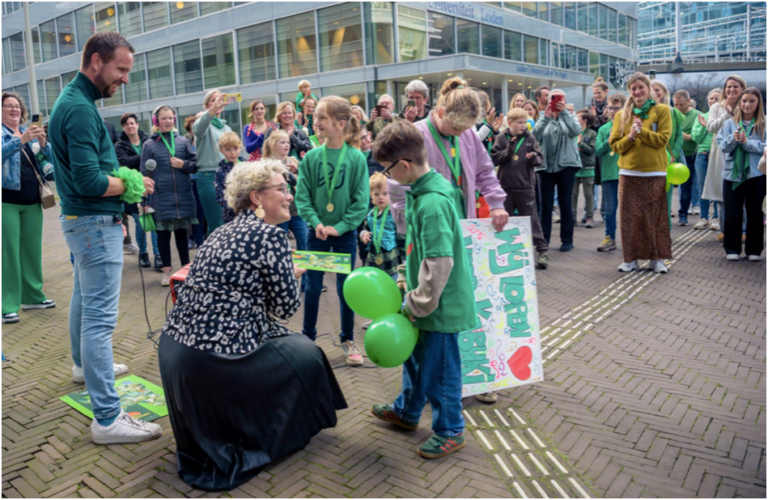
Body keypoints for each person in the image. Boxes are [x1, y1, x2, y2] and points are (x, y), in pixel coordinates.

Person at [159, 159, 347, 491]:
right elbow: (285, 308)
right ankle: (269, 433)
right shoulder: (270, 237)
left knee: (288, 346)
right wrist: (291, 274)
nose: (289, 196)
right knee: (307, 351)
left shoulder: (220, 231)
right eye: (282, 189)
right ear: (257, 197)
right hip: (212, 356)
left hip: (175, 349)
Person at [49, 31, 160, 443]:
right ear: (96, 61)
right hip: (94, 223)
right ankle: (108, 418)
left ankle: (82, 366)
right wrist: (130, 184)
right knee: (99, 321)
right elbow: (88, 179)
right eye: (121, 69)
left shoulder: (76, 101)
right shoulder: (79, 109)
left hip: (84, 223)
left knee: (83, 297)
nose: (125, 79)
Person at [371, 120, 479, 460]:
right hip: (426, 301)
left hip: (439, 306)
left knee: (441, 372)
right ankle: (407, 411)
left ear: (404, 165)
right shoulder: (424, 190)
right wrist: (406, 276)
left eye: (388, 170)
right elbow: (418, 248)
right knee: (416, 362)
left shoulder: (431, 201)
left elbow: (440, 263)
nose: (387, 178)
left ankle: (450, 430)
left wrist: (417, 303)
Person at [295, 96, 370, 366]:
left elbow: (361, 202)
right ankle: (308, 339)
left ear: (340, 123)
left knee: (345, 289)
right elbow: (302, 198)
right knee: (312, 287)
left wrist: (338, 228)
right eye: (314, 117)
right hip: (315, 235)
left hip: (345, 236)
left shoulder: (356, 159)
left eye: (322, 117)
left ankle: (348, 340)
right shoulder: (312, 157)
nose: (315, 122)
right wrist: (317, 224)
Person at [389, 77, 509, 241]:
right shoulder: (415, 135)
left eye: (465, 128)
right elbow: (397, 184)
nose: (460, 134)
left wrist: (496, 205)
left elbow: (485, 171)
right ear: (441, 113)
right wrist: (417, 215)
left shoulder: (466, 135)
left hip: (463, 220)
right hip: (429, 226)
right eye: (455, 128)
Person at [609, 72, 673, 274]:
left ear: (648, 88)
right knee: (630, 218)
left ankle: (657, 259)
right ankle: (631, 259)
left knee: (655, 218)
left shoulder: (661, 110)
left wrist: (642, 132)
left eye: (640, 87)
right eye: (633, 88)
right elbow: (615, 145)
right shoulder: (621, 115)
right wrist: (629, 137)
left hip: (654, 172)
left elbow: (662, 139)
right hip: (629, 173)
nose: (637, 91)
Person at [1, 91, 56, 325]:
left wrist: (43, 144)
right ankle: (7, 305)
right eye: (9, 106)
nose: (15, 109)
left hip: (33, 200)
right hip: (6, 202)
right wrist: (19, 142)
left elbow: (50, 158)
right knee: (8, 255)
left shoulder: (27, 132)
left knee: (32, 251)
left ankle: (33, 296)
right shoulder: (8, 135)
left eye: (17, 106)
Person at [141, 106, 198, 286]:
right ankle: (167, 272)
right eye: (163, 118)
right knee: (163, 235)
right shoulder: (149, 145)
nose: (168, 121)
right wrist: (145, 200)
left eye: (170, 118)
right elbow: (144, 173)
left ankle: (185, 269)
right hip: (160, 198)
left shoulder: (182, 141)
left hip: (182, 197)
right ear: (156, 122)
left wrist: (183, 164)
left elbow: (195, 164)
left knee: (182, 234)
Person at [491, 108, 548, 269]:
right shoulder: (502, 138)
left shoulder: (530, 138)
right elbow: (494, 158)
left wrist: (533, 158)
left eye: (525, 122)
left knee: (532, 220)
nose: (524, 126)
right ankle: (501, 250)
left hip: (525, 187)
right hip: (505, 187)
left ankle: (542, 251)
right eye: (520, 122)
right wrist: (509, 150)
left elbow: (540, 160)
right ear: (510, 123)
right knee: (504, 220)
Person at [716, 87, 767, 261]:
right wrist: (733, 139)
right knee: (732, 212)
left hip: (756, 174)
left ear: (758, 102)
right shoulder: (729, 123)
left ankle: (754, 250)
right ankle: (732, 249)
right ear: (739, 103)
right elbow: (722, 146)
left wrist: (747, 143)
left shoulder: (764, 123)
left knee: (755, 213)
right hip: (732, 174)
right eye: (744, 101)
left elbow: (764, 147)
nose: (747, 104)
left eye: (751, 101)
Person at [532, 89, 583, 252]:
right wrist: (545, 119)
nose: (553, 102)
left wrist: (564, 114)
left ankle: (567, 240)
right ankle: (543, 240)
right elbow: (533, 137)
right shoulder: (542, 117)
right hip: (545, 166)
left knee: (565, 203)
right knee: (545, 205)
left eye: (558, 99)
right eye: (551, 99)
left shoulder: (570, 116)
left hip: (566, 166)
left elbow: (575, 131)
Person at [705, 75, 748, 242]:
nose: (731, 90)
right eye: (728, 87)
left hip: (740, 150)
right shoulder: (717, 106)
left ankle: (743, 230)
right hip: (720, 152)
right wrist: (726, 115)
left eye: (736, 86)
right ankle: (725, 230)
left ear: (742, 88)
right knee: (723, 194)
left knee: (741, 191)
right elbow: (710, 127)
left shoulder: (746, 105)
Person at [263, 130, 307, 294]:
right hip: (278, 213)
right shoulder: (266, 164)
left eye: (288, 142)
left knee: (305, 244)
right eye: (282, 142)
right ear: (273, 145)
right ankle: (284, 284)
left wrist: (299, 169)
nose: (287, 145)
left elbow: (302, 182)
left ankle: (305, 284)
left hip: (296, 210)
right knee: (281, 249)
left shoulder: (293, 160)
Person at [115, 112, 154, 269]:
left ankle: (158, 255)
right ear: (123, 128)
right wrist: (143, 156)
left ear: (137, 124)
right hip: (133, 190)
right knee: (140, 222)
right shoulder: (119, 145)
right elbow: (124, 163)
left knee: (155, 222)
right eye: (126, 125)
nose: (130, 126)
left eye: (132, 123)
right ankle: (143, 254)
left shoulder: (149, 140)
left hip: (150, 186)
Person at [193, 90, 233, 236]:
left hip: (228, 176)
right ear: (206, 105)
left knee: (230, 222)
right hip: (209, 176)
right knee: (216, 224)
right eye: (213, 100)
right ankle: (212, 256)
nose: (218, 102)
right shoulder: (203, 123)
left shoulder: (226, 127)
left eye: (220, 100)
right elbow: (197, 129)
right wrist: (212, 110)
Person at [651, 80, 687, 224]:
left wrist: (674, 154)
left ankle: (666, 234)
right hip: (649, 161)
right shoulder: (644, 112)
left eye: (657, 89)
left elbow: (679, 136)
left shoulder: (673, 112)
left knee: (666, 199)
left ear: (665, 92)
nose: (655, 92)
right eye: (652, 89)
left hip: (668, 161)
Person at [595, 93, 627, 252]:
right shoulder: (603, 129)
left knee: (628, 209)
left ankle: (630, 239)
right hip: (609, 174)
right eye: (611, 107)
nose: (613, 111)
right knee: (610, 209)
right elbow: (598, 151)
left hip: (627, 172)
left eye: (617, 107)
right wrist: (608, 143)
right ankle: (610, 238)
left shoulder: (628, 127)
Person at [359, 172, 402, 277]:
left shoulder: (394, 213)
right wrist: (363, 234)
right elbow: (364, 228)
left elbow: (401, 235)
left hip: (391, 256)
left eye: (385, 193)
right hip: (373, 255)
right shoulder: (370, 214)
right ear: (371, 196)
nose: (380, 197)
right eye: (376, 194)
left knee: (394, 283)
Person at [692, 89, 722, 231]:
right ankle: (703, 218)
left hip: (716, 155)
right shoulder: (701, 116)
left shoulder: (723, 116)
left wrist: (709, 126)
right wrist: (704, 127)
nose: (713, 101)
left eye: (716, 99)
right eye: (711, 98)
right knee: (702, 187)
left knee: (716, 186)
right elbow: (695, 138)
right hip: (702, 155)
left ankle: (716, 218)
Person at [674, 89, 703, 225]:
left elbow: (702, 135)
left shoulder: (698, 115)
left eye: (681, 104)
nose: (678, 107)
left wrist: (688, 137)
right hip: (677, 156)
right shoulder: (673, 114)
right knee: (684, 187)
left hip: (693, 155)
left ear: (689, 101)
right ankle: (682, 214)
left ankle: (702, 214)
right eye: (676, 105)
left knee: (694, 185)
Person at [184, 114, 207, 251]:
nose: (195, 130)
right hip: (193, 181)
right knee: (197, 214)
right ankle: (199, 242)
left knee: (206, 213)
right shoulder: (187, 143)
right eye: (192, 127)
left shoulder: (206, 140)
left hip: (206, 178)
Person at [573, 109, 598, 228]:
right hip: (574, 167)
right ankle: (572, 217)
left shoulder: (592, 133)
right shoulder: (573, 132)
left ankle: (589, 217)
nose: (576, 119)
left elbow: (591, 151)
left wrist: (580, 143)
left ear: (585, 120)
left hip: (588, 167)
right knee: (573, 194)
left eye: (578, 117)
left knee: (588, 194)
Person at [215, 132, 246, 225]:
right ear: (221, 150)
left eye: (235, 148)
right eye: (228, 149)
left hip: (249, 213)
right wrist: (234, 206)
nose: (232, 153)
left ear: (240, 147)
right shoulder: (220, 171)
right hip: (230, 216)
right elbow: (220, 195)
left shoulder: (247, 166)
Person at [474, 90, 504, 156]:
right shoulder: (475, 122)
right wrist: (488, 125)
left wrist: (496, 131)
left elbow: (499, 144)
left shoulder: (489, 120)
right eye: (488, 99)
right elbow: (475, 140)